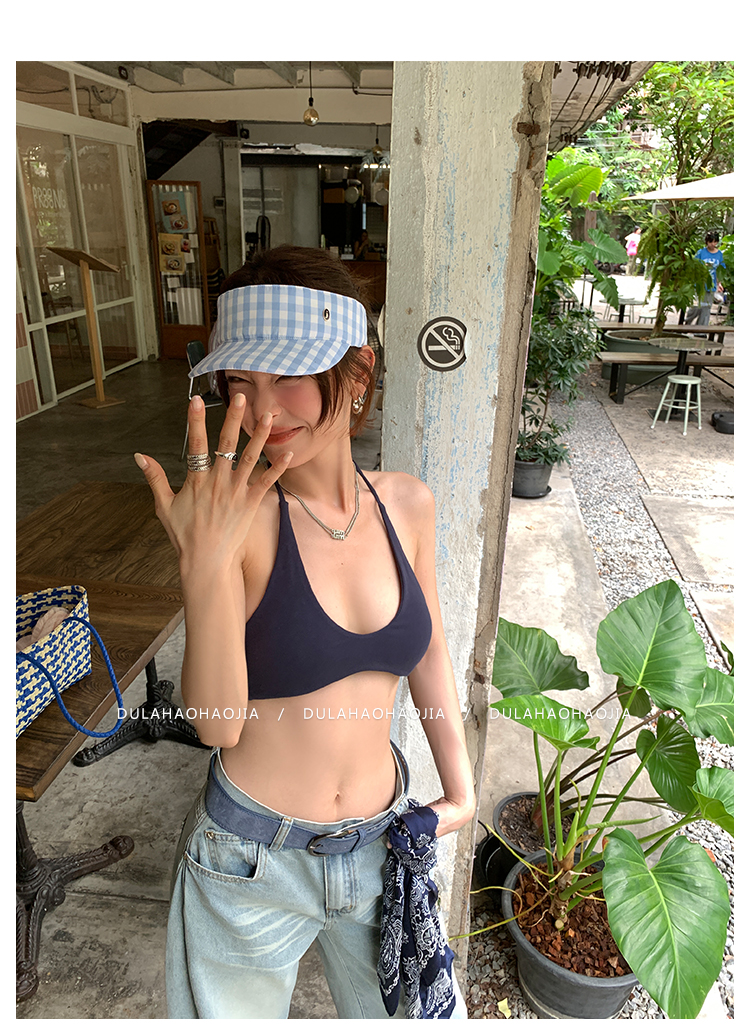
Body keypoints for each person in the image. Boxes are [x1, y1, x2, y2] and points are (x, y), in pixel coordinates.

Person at [134, 245, 475, 1020]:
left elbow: (428, 648)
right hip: (249, 860)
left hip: (385, 845)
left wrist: (460, 786)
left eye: (286, 376)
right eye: (240, 383)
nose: (262, 411)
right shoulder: (241, 523)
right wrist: (201, 567)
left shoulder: (407, 505)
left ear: (356, 374)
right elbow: (217, 724)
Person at [693, 231, 726, 326]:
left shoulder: (719, 254)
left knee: (706, 308)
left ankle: (701, 329)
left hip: (711, 285)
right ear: (707, 242)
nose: (713, 244)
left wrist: (719, 284)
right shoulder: (701, 252)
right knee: (697, 307)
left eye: (715, 242)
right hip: (700, 283)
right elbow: (694, 266)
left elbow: (720, 271)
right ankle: (689, 323)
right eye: (711, 242)